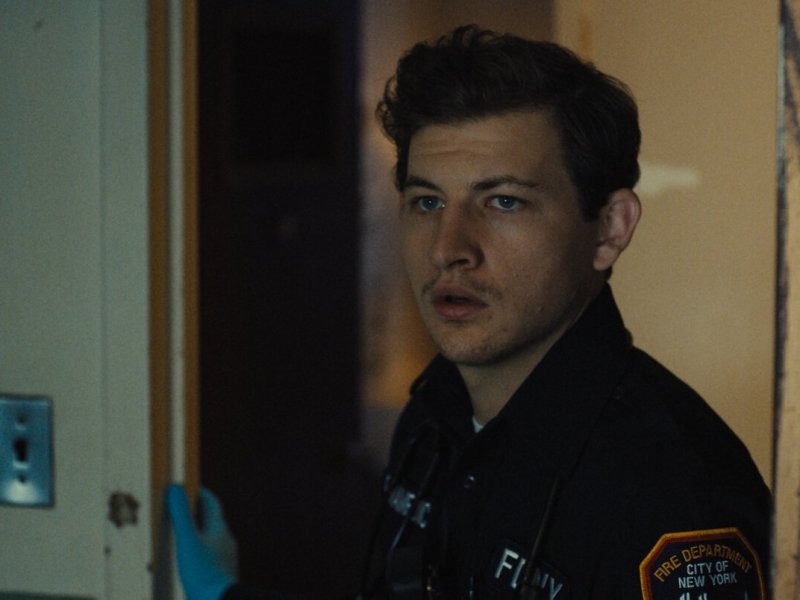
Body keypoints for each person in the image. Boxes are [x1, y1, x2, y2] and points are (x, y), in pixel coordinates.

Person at [167, 25, 772, 599]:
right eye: (427, 201)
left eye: (503, 201)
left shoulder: (676, 495)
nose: (448, 248)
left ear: (609, 229)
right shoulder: (435, 417)